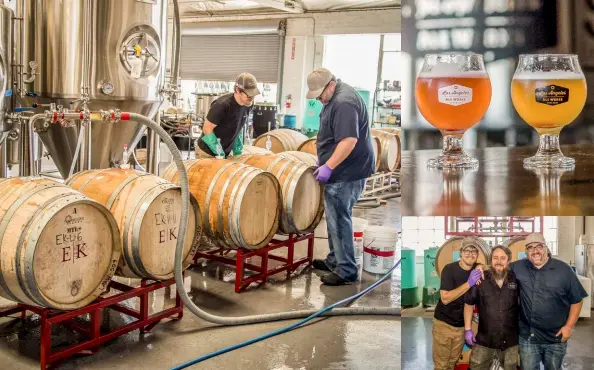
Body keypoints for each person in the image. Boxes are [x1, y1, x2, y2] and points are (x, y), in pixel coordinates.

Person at [305, 68, 375, 286]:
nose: (318, 99)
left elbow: (348, 141)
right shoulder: (335, 97)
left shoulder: (344, 102)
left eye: (319, 94)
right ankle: (335, 259)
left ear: (331, 85)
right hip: (343, 169)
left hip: (347, 172)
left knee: (340, 217)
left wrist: (328, 165)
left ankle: (346, 270)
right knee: (334, 218)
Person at [476, 233, 588, 370]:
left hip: (555, 338)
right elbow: (499, 265)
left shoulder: (564, 270)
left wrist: (569, 327)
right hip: (528, 338)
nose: (535, 251)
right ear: (526, 252)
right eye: (530, 248)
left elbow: (577, 299)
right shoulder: (519, 267)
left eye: (539, 246)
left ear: (546, 248)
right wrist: (481, 267)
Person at [463, 246, 519, 370]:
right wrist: (468, 329)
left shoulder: (516, 278)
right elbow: (468, 303)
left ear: (508, 261)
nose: (499, 261)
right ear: (491, 260)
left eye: (503, 258)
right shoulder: (480, 279)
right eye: (495, 258)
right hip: (484, 340)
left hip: (510, 341)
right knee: (476, 367)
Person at [432, 238, 483, 370]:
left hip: (461, 327)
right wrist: (468, 283)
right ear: (460, 252)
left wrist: (480, 266)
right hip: (444, 324)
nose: (470, 254)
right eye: (467, 250)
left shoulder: (477, 270)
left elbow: (491, 266)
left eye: (474, 251)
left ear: (477, 254)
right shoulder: (449, 269)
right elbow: (445, 298)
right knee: (441, 365)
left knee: (453, 362)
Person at [196, 72, 260, 158]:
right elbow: (207, 129)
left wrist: (237, 150)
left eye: (253, 93)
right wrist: (219, 152)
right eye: (249, 94)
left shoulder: (248, 104)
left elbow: (238, 126)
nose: (252, 97)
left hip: (225, 152)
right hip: (207, 152)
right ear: (237, 90)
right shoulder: (222, 105)